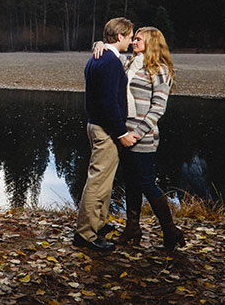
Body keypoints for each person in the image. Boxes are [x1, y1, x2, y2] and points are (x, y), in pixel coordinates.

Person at [94, 27, 185, 251]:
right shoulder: (130, 63)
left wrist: (138, 133)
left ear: (152, 42)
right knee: (131, 183)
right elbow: (111, 51)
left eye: (138, 39)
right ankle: (132, 228)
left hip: (143, 137)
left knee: (145, 182)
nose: (134, 42)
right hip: (124, 134)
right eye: (133, 38)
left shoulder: (161, 70)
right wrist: (98, 44)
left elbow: (158, 109)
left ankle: (170, 230)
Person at [74, 17, 136, 251]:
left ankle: (97, 225)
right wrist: (121, 133)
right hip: (105, 129)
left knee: (104, 181)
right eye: (129, 37)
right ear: (119, 37)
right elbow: (109, 102)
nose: (130, 42)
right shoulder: (109, 60)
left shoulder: (98, 57)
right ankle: (85, 235)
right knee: (98, 182)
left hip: (98, 125)